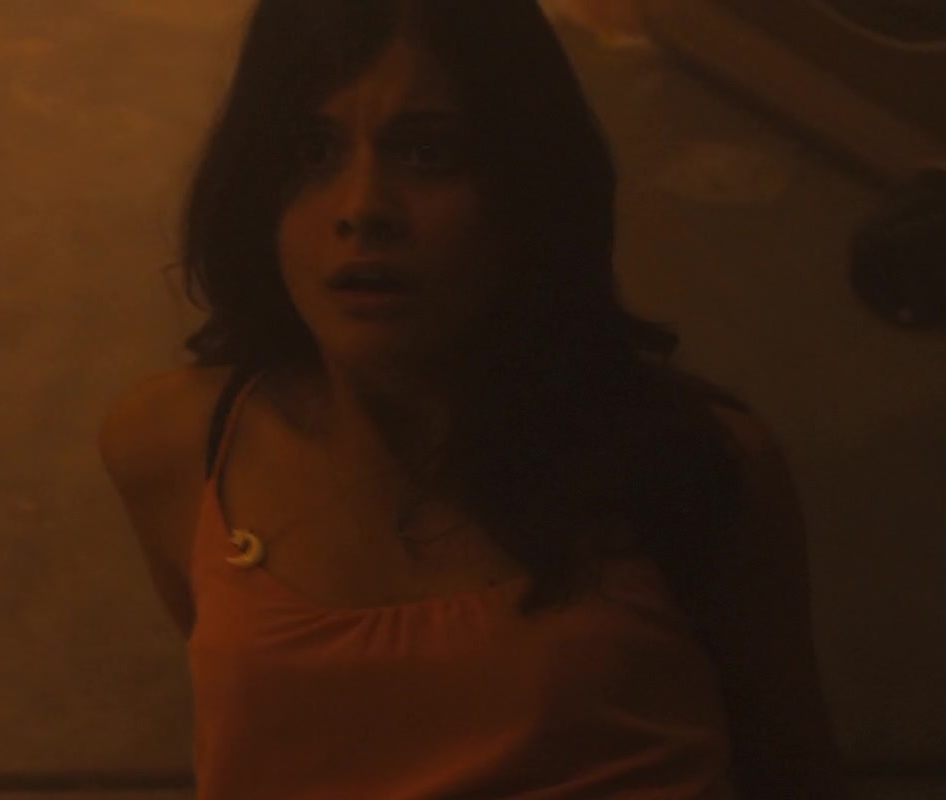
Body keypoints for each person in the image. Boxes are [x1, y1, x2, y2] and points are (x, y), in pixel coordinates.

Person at [96, 1, 850, 797]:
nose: (362, 208)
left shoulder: (690, 463)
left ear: (526, 182)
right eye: (311, 151)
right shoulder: (176, 449)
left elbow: (792, 772)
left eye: (427, 153)